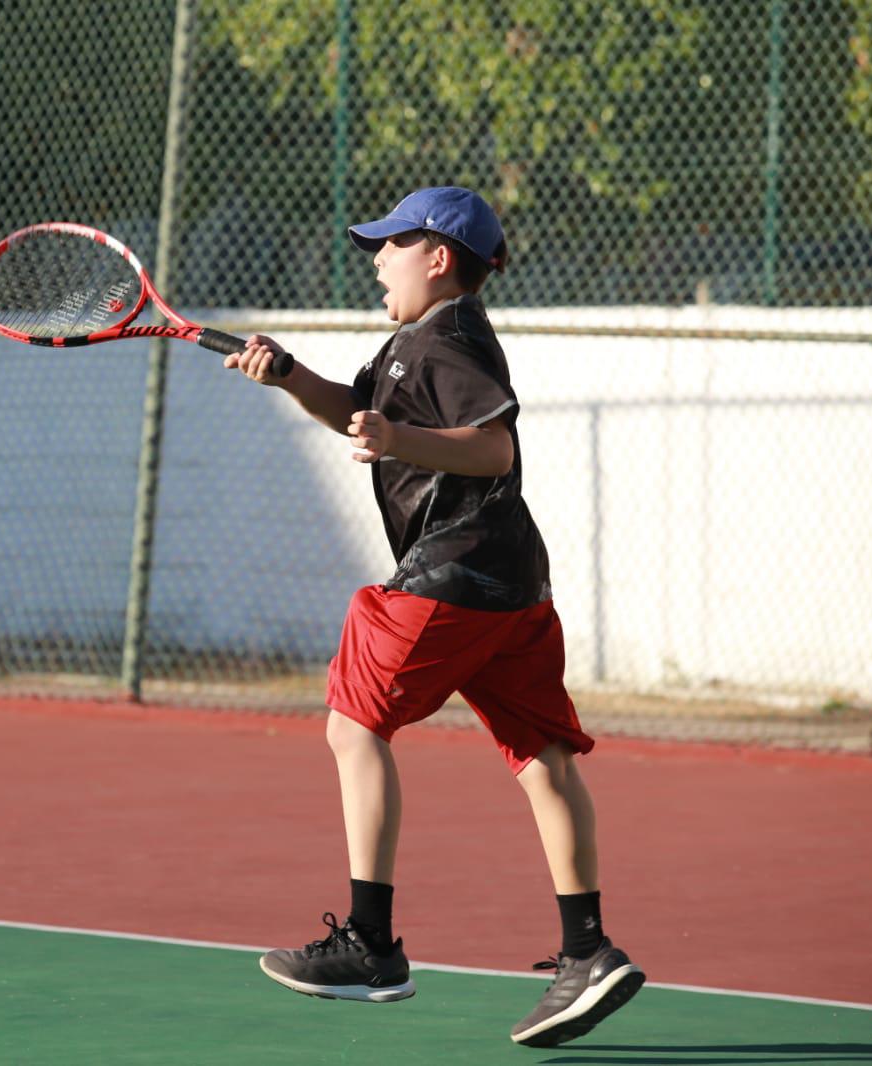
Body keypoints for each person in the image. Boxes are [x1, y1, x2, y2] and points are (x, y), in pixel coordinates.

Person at [223, 187, 644, 1048]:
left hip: (456, 565)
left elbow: (494, 447)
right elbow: (359, 412)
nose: (376, 258)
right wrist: (288, 373)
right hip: (511, 577)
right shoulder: (414, 343)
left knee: (354, 722)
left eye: (391, 245)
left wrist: (397, 440)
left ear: (439, 257)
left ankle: (370, 944)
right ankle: (588, 952)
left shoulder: (448, 337)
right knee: (542, 754)